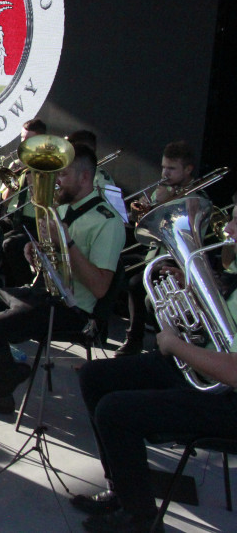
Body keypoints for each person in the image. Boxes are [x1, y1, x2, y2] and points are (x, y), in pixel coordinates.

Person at [70, 204, 237, 532]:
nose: (228, 229)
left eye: (236, 222)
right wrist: (198, 293)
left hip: (226, 397)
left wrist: (176, 345)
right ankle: (123, 490)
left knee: (114, 411)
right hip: (204, 373)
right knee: (94, 377)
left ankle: (140, 517)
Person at [0, 145, 125, 415]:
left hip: (72, 308)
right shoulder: (62, 210)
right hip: (40, 292)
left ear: (85, 178)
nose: (57, 180)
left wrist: (67, 242)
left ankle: (4, 382)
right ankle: (0, 387)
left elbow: (99, 288)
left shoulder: (107, 222)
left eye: (63, 174)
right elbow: (54, 262)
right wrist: (36, 253)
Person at [117, 140, 200, 356]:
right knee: (123, 268)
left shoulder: (197, 196)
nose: (165, 173)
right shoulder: (163, 190)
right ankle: (132, 338)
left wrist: (164, 204)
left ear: (188, 169)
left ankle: (150, 341)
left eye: (171, 168)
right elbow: (149, 229)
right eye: (164, 167)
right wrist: (141, 214)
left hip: (178, 259)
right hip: (155, 253)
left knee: (138, 284)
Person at [0, 118, 48, 287]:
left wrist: (32, 179)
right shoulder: (16, 164)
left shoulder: (47, 167)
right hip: (13, 217)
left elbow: (44, 204)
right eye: (22, 139)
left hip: (34, 222)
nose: (24, 144)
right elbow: (4, 203)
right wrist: (12, 185)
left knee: (10, 244)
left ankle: (23, 285)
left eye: (29, 140)